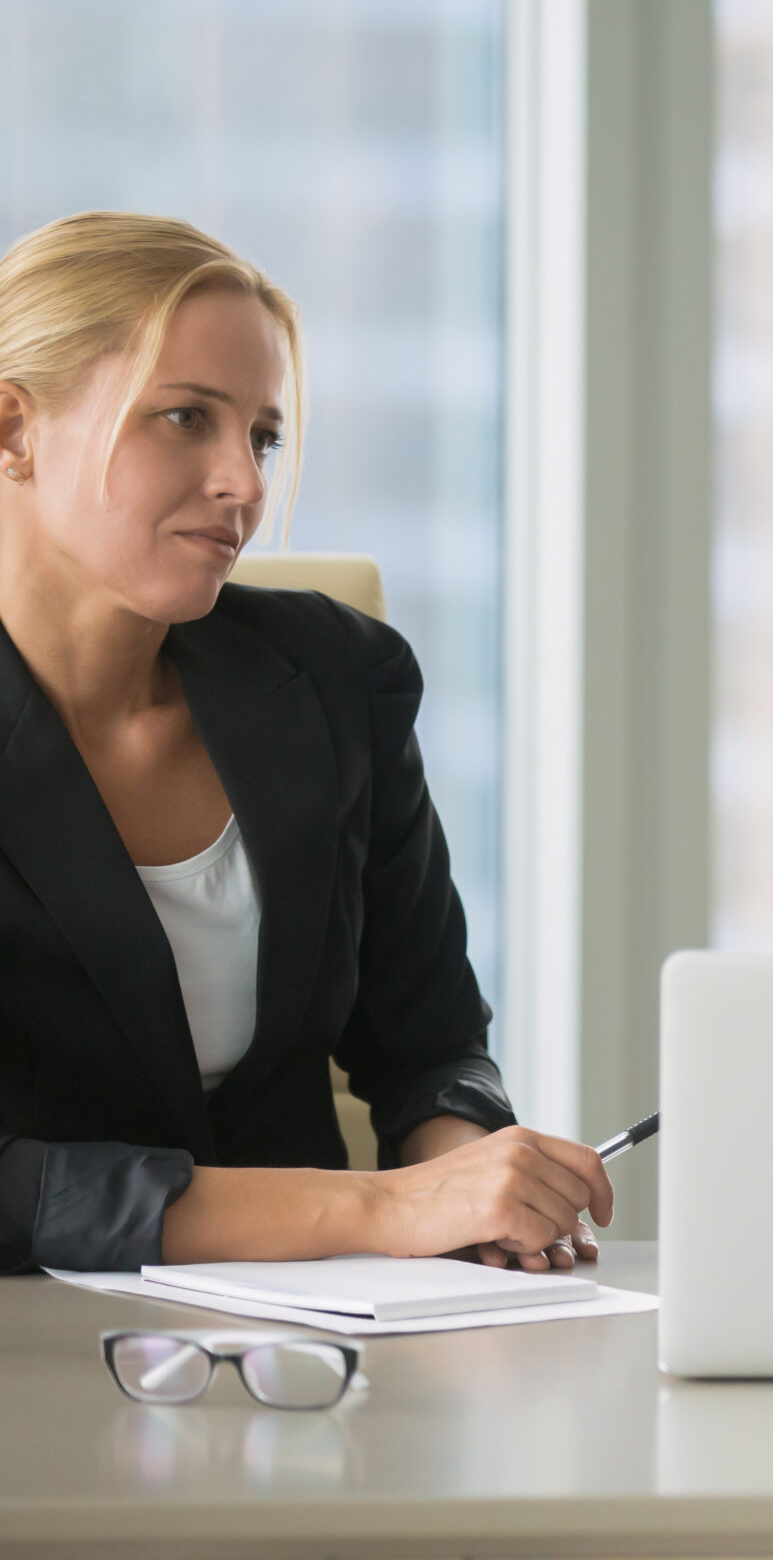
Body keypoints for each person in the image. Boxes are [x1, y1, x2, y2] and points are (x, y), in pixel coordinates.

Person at [0, 212, 613, 1276]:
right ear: (12, 429)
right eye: (186, 418)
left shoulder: (337, 679)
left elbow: (429, 1044)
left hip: (317, 1345)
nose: (244, 482)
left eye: (264, 435)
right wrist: (384, 1205)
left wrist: (472, 1193)